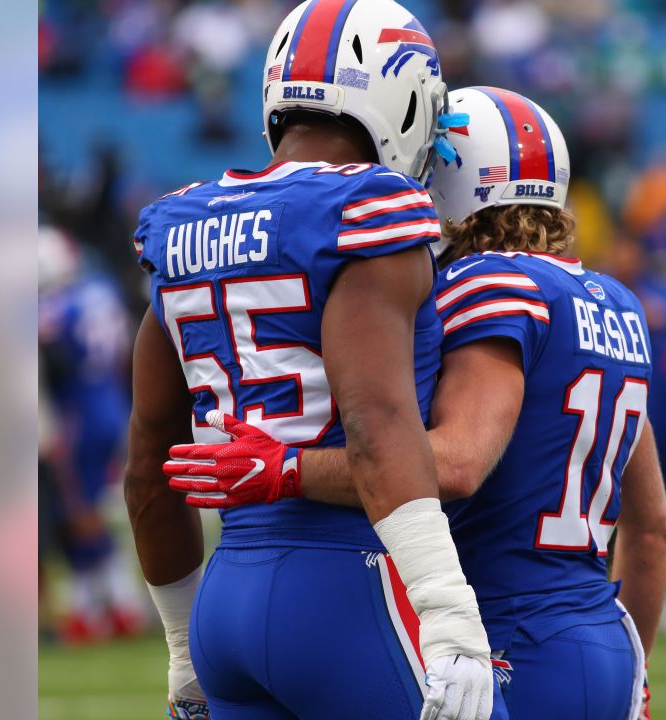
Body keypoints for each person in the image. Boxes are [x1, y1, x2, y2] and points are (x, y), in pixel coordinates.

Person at [167, 87, 666, 720]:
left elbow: (454, 462)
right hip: (604, 639)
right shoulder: (614, 303)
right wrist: (637, 667)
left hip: (505, 636)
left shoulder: (483, 285)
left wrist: (291, 468)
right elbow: (652, 528)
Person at [123, 2, 496, 719]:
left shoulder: (182, 222)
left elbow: (148, 462)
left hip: (227, 602)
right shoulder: (371, 204)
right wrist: (450, 616)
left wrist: (181, 642)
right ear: (408, 100)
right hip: (348, 587)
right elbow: (376, 423)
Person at [38, 225, 144, 644]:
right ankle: (114, 602)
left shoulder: (51, 308)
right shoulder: (102, 291)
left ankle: (104, 606)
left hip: (77, 413)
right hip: (114, 404)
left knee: (79, 510)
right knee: (103, 507)